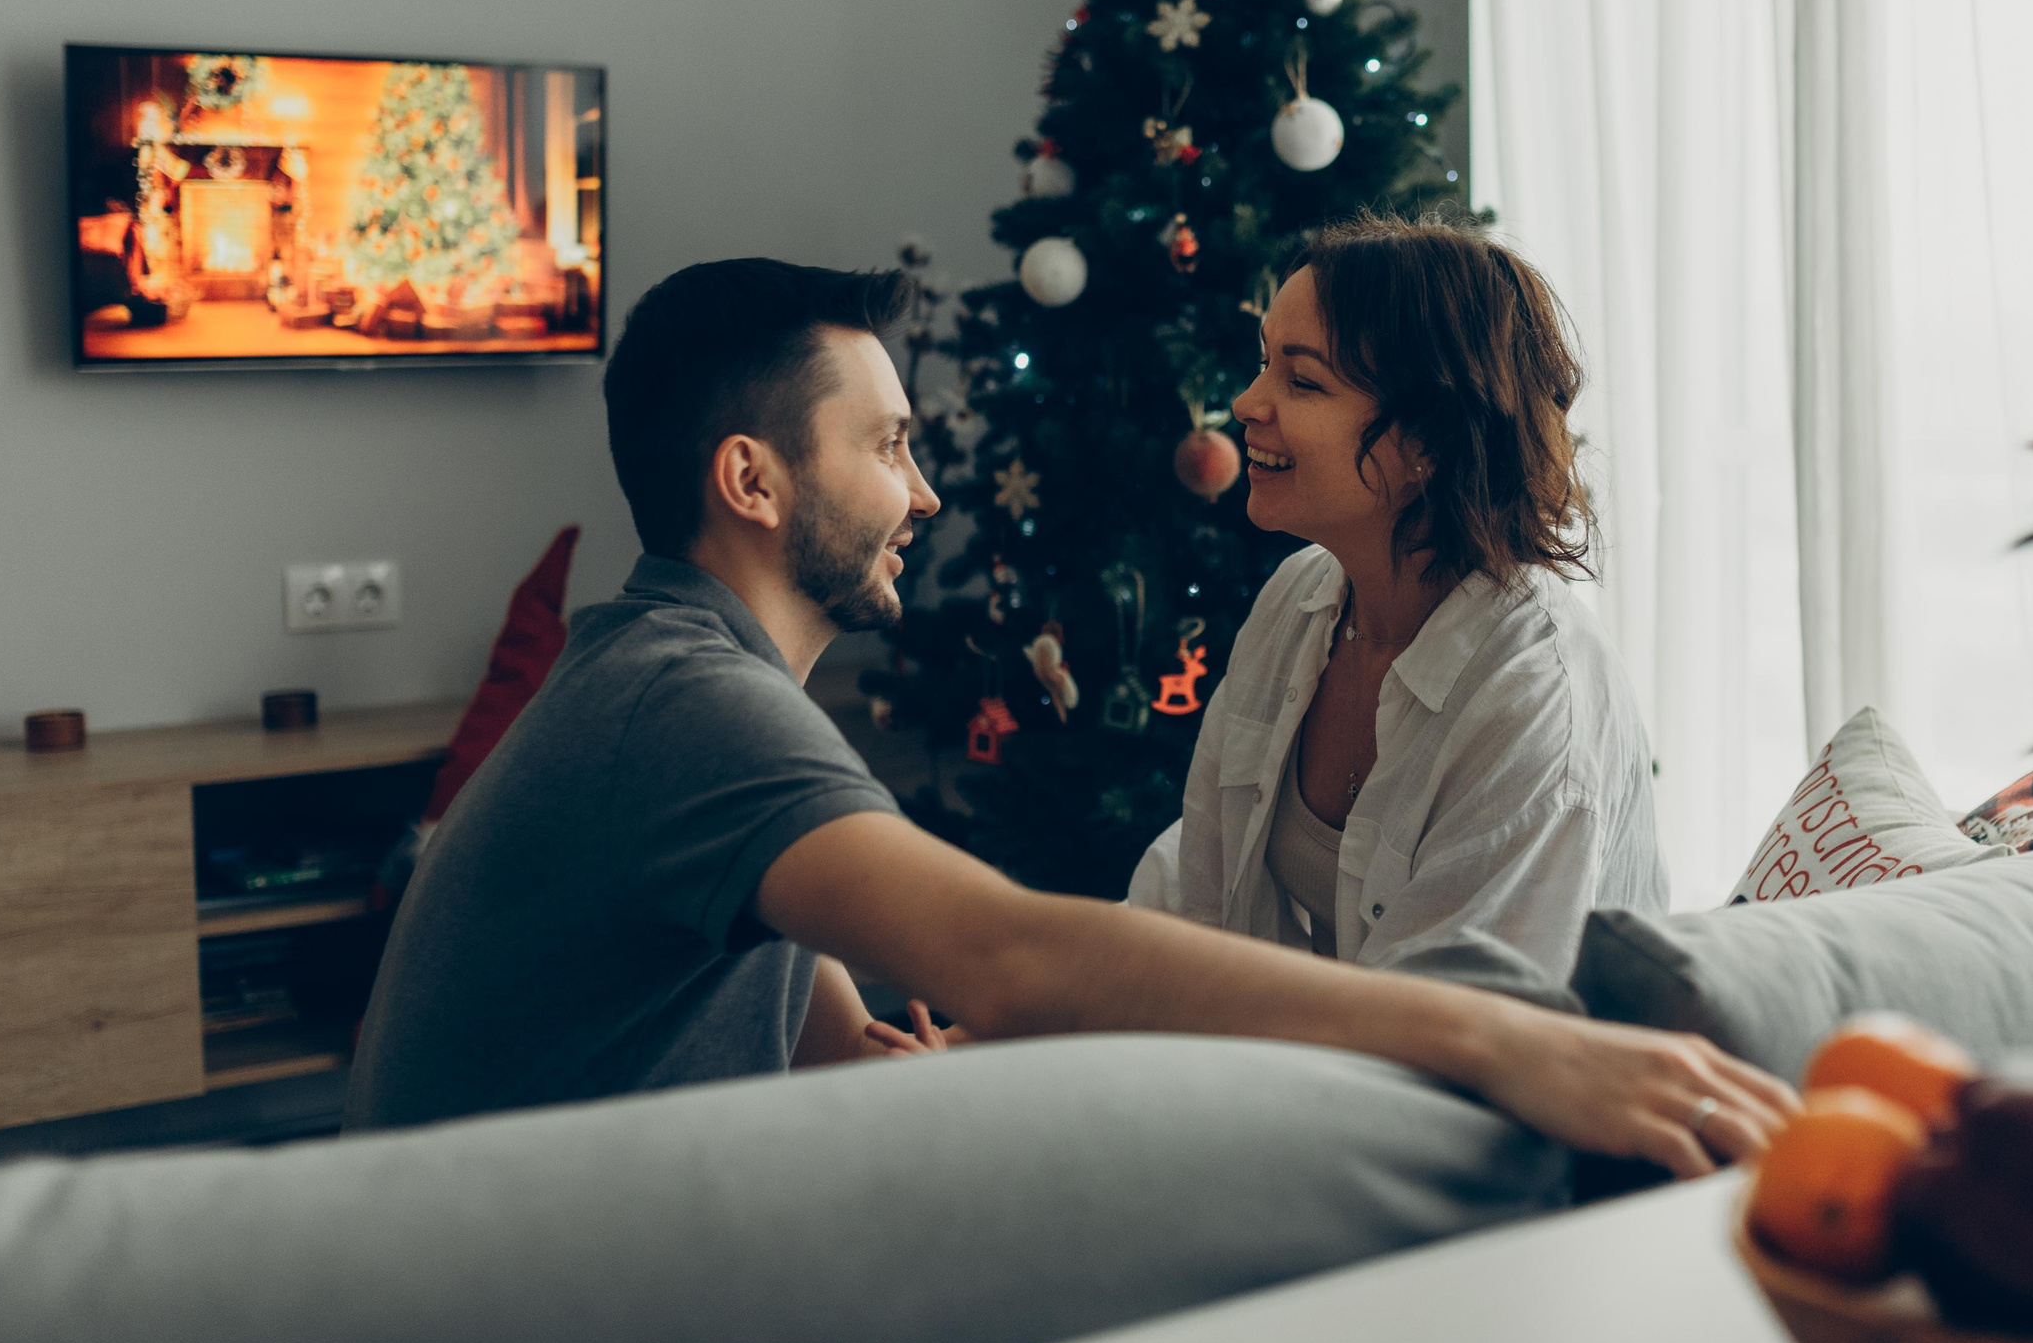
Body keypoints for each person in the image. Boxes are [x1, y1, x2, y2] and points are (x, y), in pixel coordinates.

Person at [344, 256, 1789, 1179]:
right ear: (753, 480)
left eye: (1298, 376)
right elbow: (1010, 954)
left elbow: (843, 1040)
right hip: (505, 1290)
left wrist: (977, 1064)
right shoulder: (690, 708)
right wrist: (1497, 1042)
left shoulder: (685, 685)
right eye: (892, 446)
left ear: (1417, 440)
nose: (924, 493)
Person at [1130, 214, 1664, 980]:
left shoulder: (1531, 697)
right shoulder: (1298, 601)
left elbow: (1444, 1027)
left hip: (1483, 1088)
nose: (1246, 403)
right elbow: (1195, 891)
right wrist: (1006, 1021)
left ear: (1431, 442)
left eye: (1302, 379)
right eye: (1263, 364)